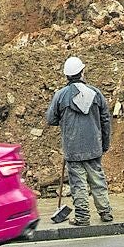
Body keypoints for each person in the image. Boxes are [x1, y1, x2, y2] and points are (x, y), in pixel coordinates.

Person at [45, 56, 113, 226]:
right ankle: (105, 212)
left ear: (67, 76)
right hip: (93, 146)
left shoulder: (60, 96)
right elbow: (105, 120)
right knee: (98, 180)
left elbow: (51, 119)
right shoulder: (96, 94)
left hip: (73, 148)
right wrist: (104, 144)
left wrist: (64, 117)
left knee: (78, 184)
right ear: (82, 73)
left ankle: (82, 217)